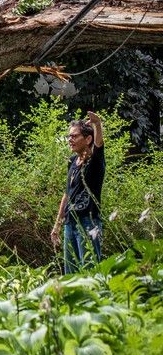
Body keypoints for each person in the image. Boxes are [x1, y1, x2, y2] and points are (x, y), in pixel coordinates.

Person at [51, 111, 106, 273]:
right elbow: (67, 194)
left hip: (89, 223)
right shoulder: (72, 161)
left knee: (90, 271)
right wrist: (57, 225)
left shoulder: (95, 161)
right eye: (69, 136)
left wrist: (97, 124)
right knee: (71, 273)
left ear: (87, 139)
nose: (70, 140)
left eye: (74, 136)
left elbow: (99, 145)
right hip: (70, 223)